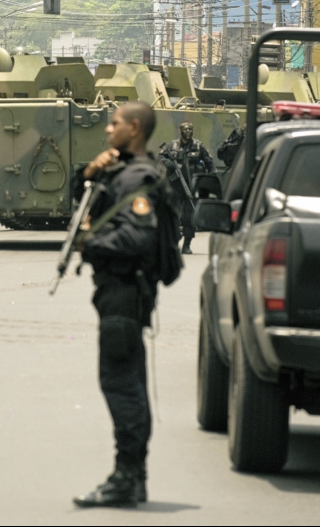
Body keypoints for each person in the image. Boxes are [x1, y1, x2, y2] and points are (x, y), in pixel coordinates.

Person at [71, 102, 172, 509]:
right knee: (125, 379)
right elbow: (88, 196)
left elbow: (138, 237)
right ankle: (135, 477)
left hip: (124, 291)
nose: (107, 130)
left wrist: (89, 242)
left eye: (113, 124)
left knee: (120, 383)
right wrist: (90, 172)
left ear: (134, 128)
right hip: (119, 290)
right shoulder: (125, 171)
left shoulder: (137, 176)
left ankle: (126, 477)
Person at [159, 122, 216, 255]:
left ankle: (187, 244)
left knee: (189, 217)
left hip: (192, 187)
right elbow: (160, 157)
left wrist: (211, 178)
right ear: (180, 131)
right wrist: (167, 162)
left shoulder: (198, 146)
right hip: (175, 187)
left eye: (190, 129)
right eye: (185, 129)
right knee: (173, 216)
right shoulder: (172, 146)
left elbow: (209, 163)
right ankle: (174, 241)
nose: (188, 131)